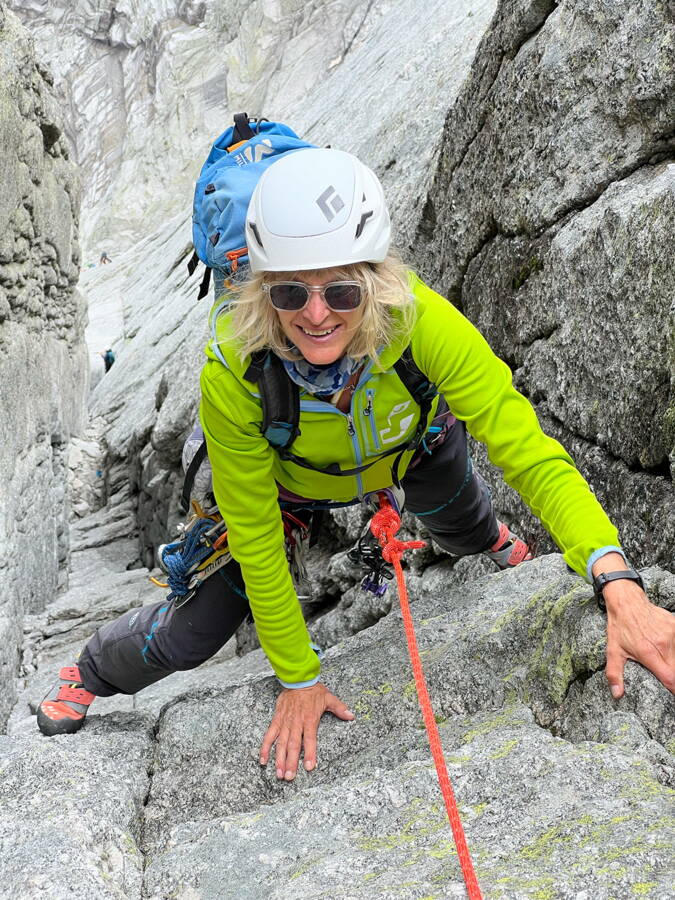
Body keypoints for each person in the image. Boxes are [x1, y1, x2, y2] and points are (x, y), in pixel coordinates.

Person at [38, 149, 675, 780]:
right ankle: (90, 670)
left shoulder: (420, 325)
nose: (316, 315)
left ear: (373, 280)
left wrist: (614, 578)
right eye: (290, 290)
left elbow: (525, 449)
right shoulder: (236, 370)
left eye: (341, 289)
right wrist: (299, 676)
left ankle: (492, 540)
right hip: (290, 486)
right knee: (190, 636)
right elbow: (256, 536)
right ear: (262, 289)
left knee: (464, 528)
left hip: (408, 449)